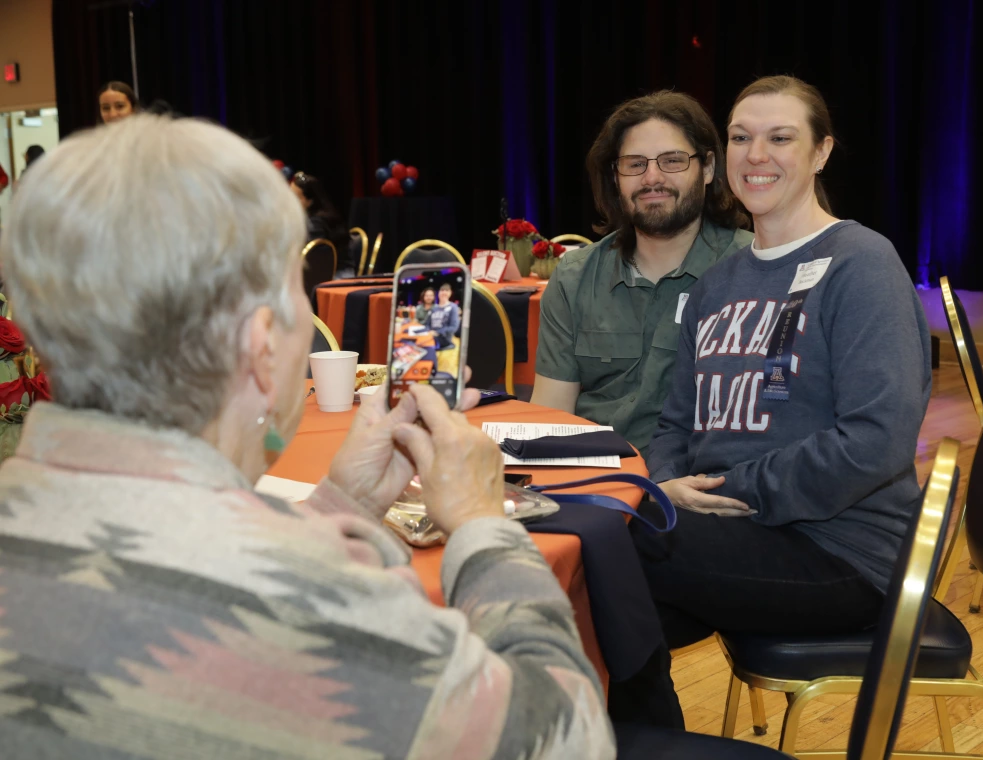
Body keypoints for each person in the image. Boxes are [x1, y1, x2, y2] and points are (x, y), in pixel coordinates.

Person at [0, 114, 614, 758]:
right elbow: (570, 738)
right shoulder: (315, 608)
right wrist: (483, 529)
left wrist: (342, 507)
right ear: (263, 347)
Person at [613, 75, 933, 724]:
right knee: (589, 603)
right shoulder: (717, 284)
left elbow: (876, 440)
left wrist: (729, 492)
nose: (756, 154)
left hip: (842, 553)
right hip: (733, 529)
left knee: (611, 554)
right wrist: (670, 486)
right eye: (740, 137)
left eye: (780, 137)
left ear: (821, 153)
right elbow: (676, 422)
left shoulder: (862, 263)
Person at [532, 91, 753, 451]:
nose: (652, 178)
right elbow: (549, 417)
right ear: (615, 177)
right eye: (635, 164)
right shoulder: (575, 276)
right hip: (598, 486)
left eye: (672, 161)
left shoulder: (754, 267)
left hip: (703, 488)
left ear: (709, 168)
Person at [290, 171, 353, 276]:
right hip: (324, 273)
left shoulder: (316, 224)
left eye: (296, 197)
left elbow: (313, 260)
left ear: (310, 201)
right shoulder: (318, 216)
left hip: (337, 276)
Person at [428, 282, 460, 349]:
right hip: (430, 336)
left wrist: (437, 332)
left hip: (444, 339)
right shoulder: (434, 308)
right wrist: (428, 331)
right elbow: (427, 323)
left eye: (447, 290)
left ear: (450, 293)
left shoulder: (453, 307)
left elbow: (453, 327)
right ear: (438, 293)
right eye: (442, 290)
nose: (444, 292)